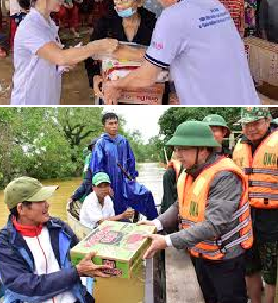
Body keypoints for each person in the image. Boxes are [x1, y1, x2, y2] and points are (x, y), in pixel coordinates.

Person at [103, 0, 259, 105]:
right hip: (245, 99)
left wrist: (115, 85)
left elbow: (146, 76)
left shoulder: (173, 15)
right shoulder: (215, 5)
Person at [140, 120, 253, 303]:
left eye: (183, 149)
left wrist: (167, 240)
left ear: (203, 149)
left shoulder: (225, 175)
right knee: (209, 298)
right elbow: (180, 205)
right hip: (201, 253)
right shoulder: (189, 172)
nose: (177, 155)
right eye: (176, 149)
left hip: (225, 259)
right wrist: (156, 223)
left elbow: (214, 225)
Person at [0, 177, 109, 303]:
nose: (47, 204)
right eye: (40, 201)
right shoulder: (3, 246)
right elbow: (26, 288)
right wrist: (76, 272)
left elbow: (79, 253)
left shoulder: (58, 227)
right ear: (21, 209)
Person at [10, 0, 117, 105]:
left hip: (46, 93)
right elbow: (60, 56)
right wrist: (99, 45)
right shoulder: (30, 27)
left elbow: (50, 59)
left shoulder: (49, 23)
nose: (62, 1)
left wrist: (63, 64)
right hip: (30, 97)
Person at [232, 107, 278, 303]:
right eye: (246, 124)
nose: (251, 129)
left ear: (268, 121)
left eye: (256, 123)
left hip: (272, 217)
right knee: (249, 267)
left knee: (270, 269)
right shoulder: (238, 147)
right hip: (245, 216)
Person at [85, 0, 158, 93]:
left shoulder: (153, 24)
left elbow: (160, 57)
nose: (118, 2)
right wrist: (95, 77)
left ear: (139, 2)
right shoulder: (105, 22)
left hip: (145, 90)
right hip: (112, 89)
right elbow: (90, 54)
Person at [88, 112, 158, 219]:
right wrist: (105, 186)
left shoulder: (124, 141)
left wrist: (132, 179)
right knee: (114, 207)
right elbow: (97, 167)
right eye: (110, 123)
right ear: (104, 126)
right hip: (109, 183)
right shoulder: (100, 144)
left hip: (125, 182)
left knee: (146, 194)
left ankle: (155, 223)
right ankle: (119, 223)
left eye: (115, 123)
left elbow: (131, 161)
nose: (114, 126)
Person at [71, 137, 100, 203]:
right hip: (93, 197)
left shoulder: (110, 164)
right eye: (93, 148)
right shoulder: (91, 165)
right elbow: (86, 183)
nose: (95, 151)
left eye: (97, 148)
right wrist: (74, 197)